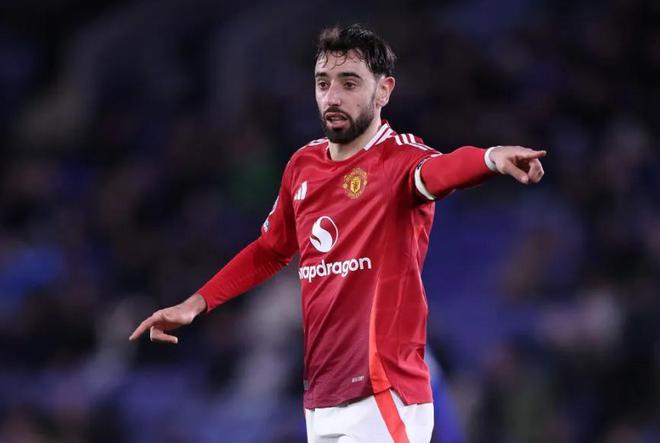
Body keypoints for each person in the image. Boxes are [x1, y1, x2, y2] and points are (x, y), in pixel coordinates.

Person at [129, 24, 545, 443]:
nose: (332, 97)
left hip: (382, 393)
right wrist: (195, 305)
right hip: (323, 397)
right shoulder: (302, 166)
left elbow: (439, 171)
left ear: (383, 91)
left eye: (349, 83)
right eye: (323, 83)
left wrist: (490, 158)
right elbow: (270, 250)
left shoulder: (397, 159)